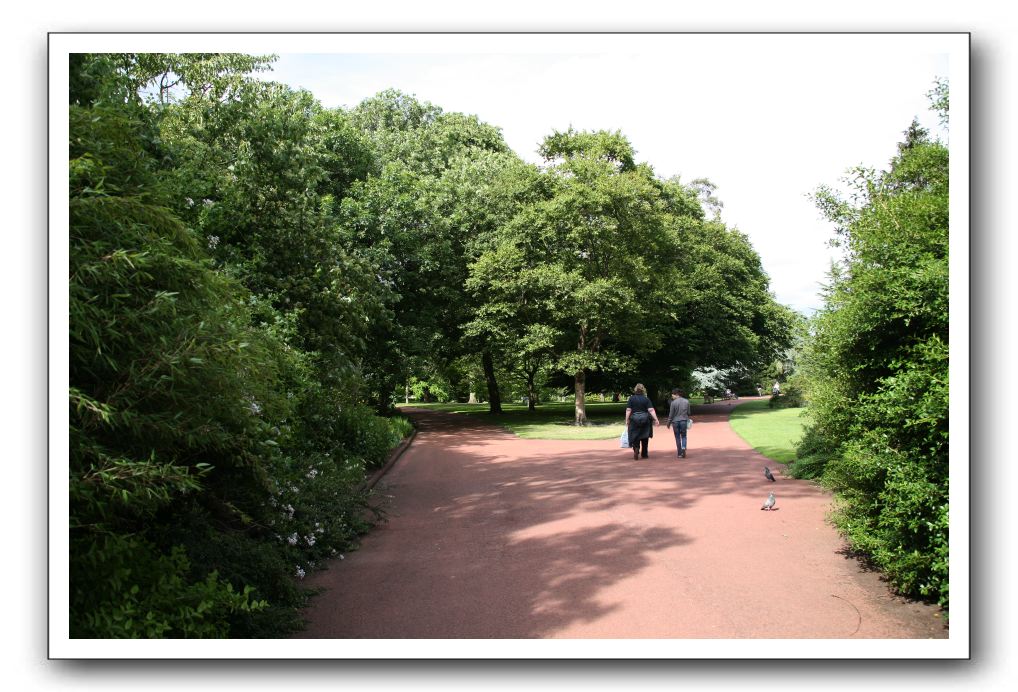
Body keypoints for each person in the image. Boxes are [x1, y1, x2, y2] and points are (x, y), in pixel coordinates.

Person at [625, 383, 659, 459]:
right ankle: (644, 453)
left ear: (635, 389)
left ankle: (636, 448)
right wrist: (656, 419)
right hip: (645, 419)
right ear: (643, 390)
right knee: (645, 435)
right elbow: (651, 410)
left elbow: (628, 410)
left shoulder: (631, 398)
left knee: (635, 435)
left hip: (634, 420)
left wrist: (627, 419)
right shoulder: (646, 399)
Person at [665, 388, 691, 458]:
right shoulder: (686, 401)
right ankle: (683, 447)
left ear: (676, 394)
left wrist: (668, 423)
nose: (672, 396)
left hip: (675, 422)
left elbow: (671, 414)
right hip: (683, 421)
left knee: (677, 437)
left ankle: (679, 453)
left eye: (673, 395)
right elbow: (688, 413)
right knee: (684, 436)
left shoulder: (673, 403)